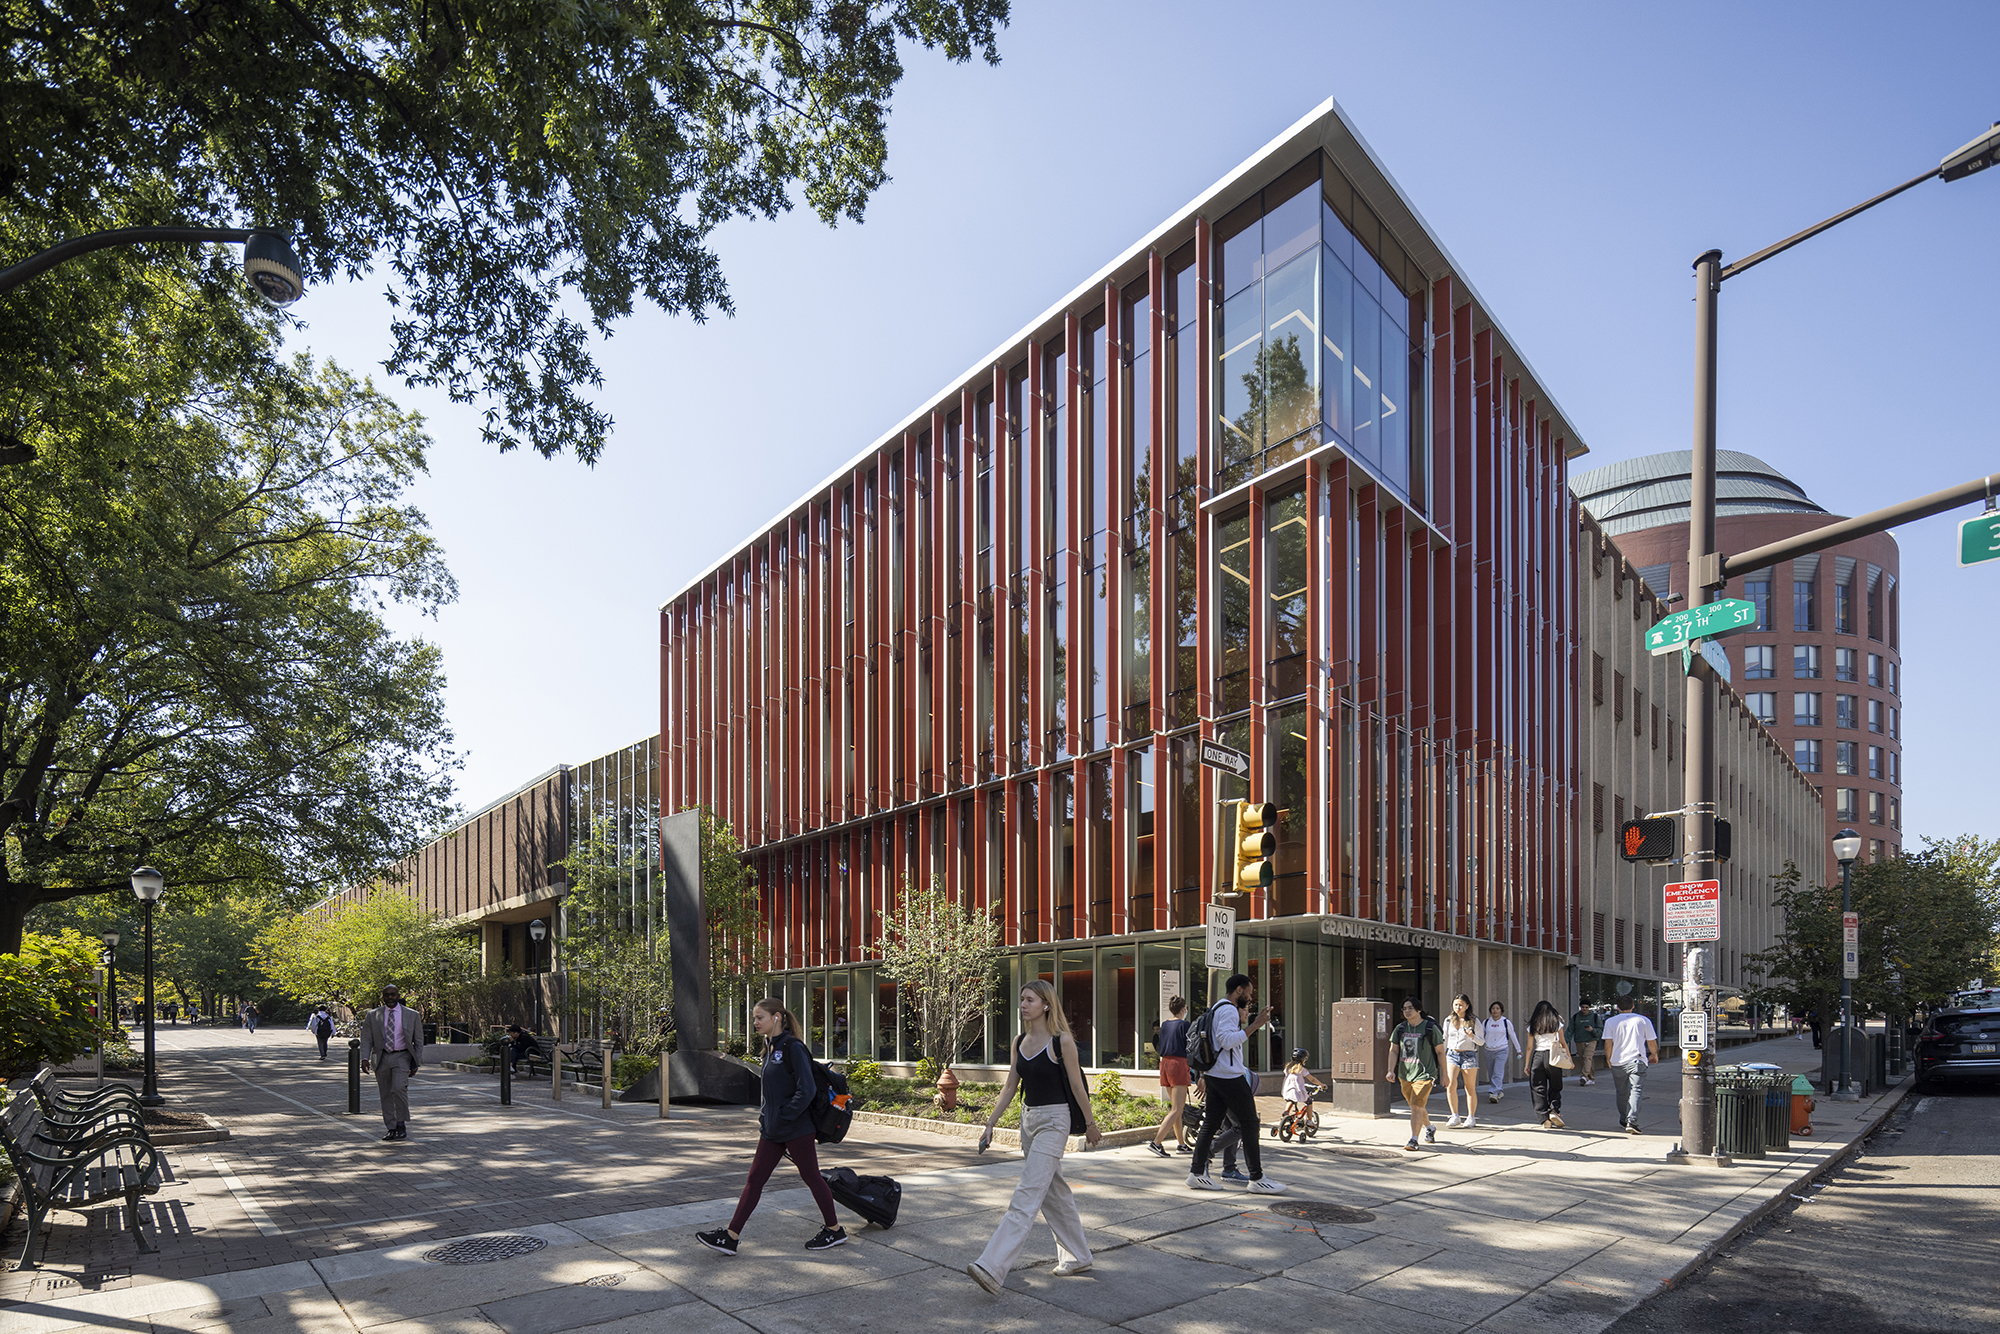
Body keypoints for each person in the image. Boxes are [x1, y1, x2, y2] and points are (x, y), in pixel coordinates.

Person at [965, 979, 1101, 1292]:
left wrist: (1091, 1124)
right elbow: (1010, 1086)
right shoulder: (1019, 1042)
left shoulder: (1060, 1041)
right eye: (1022, 999)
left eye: (1029, 1000)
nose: (1023, 1005)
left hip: (1055, 1120)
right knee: (1054, 1192)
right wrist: (990, 1124)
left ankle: (992, 1265)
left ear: (1046, 1005)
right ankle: (1078, 1256)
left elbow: (1078, 1086)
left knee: (1027, 1193)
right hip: (1029, 1121)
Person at [697, 998, 846, 1256]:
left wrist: (786, 1114)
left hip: (796, 1128)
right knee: (755, 1180)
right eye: (754, 1018)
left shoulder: (792, 1047)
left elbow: (807, 1088)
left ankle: (834, 1230)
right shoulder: (770, 1048)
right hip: (773, 1129)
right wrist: (767, 1117)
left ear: (776, 1017)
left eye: (759, 1018)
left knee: (811, 1176)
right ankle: (731, 1237)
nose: (755, 1022)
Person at [1185, 973, 1287, 1195]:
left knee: (1211, 1124)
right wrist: (1255, 1025)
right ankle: (1257, 1177)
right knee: (1250, 1123)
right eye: (1248, 993)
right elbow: (1227, 1040)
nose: (1249, 998)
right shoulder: (1229, 1009)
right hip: (1228, 1076)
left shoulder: (1216, 1008)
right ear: (1238, 990)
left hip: (1214, 1075)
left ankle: (1196, 1173)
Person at [357, 984, 426, 1142]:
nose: (390, 998)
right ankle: (391, 1128)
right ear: (383, 996)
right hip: (381, 1057)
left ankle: (401, 1124)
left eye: (393, 994)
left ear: (398, 995)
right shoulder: (373, 1015)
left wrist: (416, 1062)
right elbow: (367, 1038)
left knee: (398, 1088)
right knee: (386, 1094)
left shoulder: (412, 1015)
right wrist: (365, 1058)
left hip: (402, 1056)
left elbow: (419, 1041)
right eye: (387, 995)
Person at [1386, 999, 1446, 1150]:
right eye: (1404, 1008)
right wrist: (1390, 1070)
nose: (1406, 1011)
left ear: (1419, 1010)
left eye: (1410, 1008)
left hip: (1425, 1074)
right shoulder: (1400, 1028)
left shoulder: (1430, 1028)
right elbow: (1393, 1050)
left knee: (1416, 1107)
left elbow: (1440, 1052)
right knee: (1417, 1107)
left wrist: (1444, 1074)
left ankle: (1413, 1140)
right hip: (1405, 1074)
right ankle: (1430, 1127)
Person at [1600, 993, 1659, 1134]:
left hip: (1617, 1061)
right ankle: (1632, 1120)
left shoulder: (1610, 1022)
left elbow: (1608, 1043)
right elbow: (1651, 1041)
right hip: (1637, 1060)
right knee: (1636, 1090)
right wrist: (1654, 1054)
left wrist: (1608, 1059)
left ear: (1618, 1007)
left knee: (1621, 1092)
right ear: (1633, 1006)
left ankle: (1623, 1118)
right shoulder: (1643, 1020)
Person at [1148, 996, 1192, 1158]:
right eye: (1185, 1008)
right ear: (1182, 1009)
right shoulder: (1185, 1025)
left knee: (1176, 1108)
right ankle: (1157, 1142)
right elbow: (1190, 1045)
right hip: (1178, 1064)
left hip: (1165, 1064)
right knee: (1177, 1109)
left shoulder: (1164, 1024)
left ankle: (1181, 1143)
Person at [1525, 1000, 1571, 1130]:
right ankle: (1554, 1110)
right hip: (1554, 1056)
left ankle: (1543, 1117)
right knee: (1555, 1085)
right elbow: (1563, 1042)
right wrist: (1569, 1060)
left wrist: (1527, 1064)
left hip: (1538, 1056)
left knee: (1538, 1087)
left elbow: (1529, 1047)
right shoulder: (1557, 1023)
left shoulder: (1533, 1025)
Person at [1440, 994, 1484, 1128]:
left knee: (1469, 1087)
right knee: (1451, 1084)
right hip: (1452, 1054)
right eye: (1455, 1004)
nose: (1458, 1007)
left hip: (1469, 1054)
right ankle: (1455, 1115)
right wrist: (1441, 1056)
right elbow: (1445, 1039)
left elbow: (1481, 1042)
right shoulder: (1448, 1020)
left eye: (1460, 1005)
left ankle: (1471, 1117)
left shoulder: (1474, 1021)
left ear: (1467, 1006)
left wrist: (1472, 1036)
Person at [1480, 1001, 1520, 1103]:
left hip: (1502, 1049)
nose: (1495, 1010)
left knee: (1498, 1072)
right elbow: (1481, 1036)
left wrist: (1518, 1050)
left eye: (1497, 1008)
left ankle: (1493, 1092)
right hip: (1488, 1050)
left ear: (1501, 1010)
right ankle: (1499, 1091)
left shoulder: (1506, 1022)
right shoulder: (1486, 1022)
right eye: (1493, 1008)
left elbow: (1513, 1036)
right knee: (1491, 1072)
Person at [1276, 1048, 1323, 1132]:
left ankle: (1286, 1112)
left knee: (1290, 1100)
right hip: (1297, 1090)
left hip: (1287, 1090)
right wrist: (1321, 1085)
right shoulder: (1302, 1070)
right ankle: (1309, 1120)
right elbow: (1312, 1079)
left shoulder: (1287, 1068)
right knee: (1309, 1101)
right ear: (1303, 1059)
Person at [1567, 1003, 1603, 1085]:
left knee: (1587, 1057)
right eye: (1583, 1007)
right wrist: (1564, 1041)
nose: (1584, 1009)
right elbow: (1570, 1030)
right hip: (1579, 1040)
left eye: (1586, 1007)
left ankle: (1584, 1076)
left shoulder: (1594, 1017)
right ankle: (1591, 1078)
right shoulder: (1576, 1017)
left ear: (1589, 1007)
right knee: (1584, 1060)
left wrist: (1592, 1030)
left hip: (1591, 1040)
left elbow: (1600, 1029)